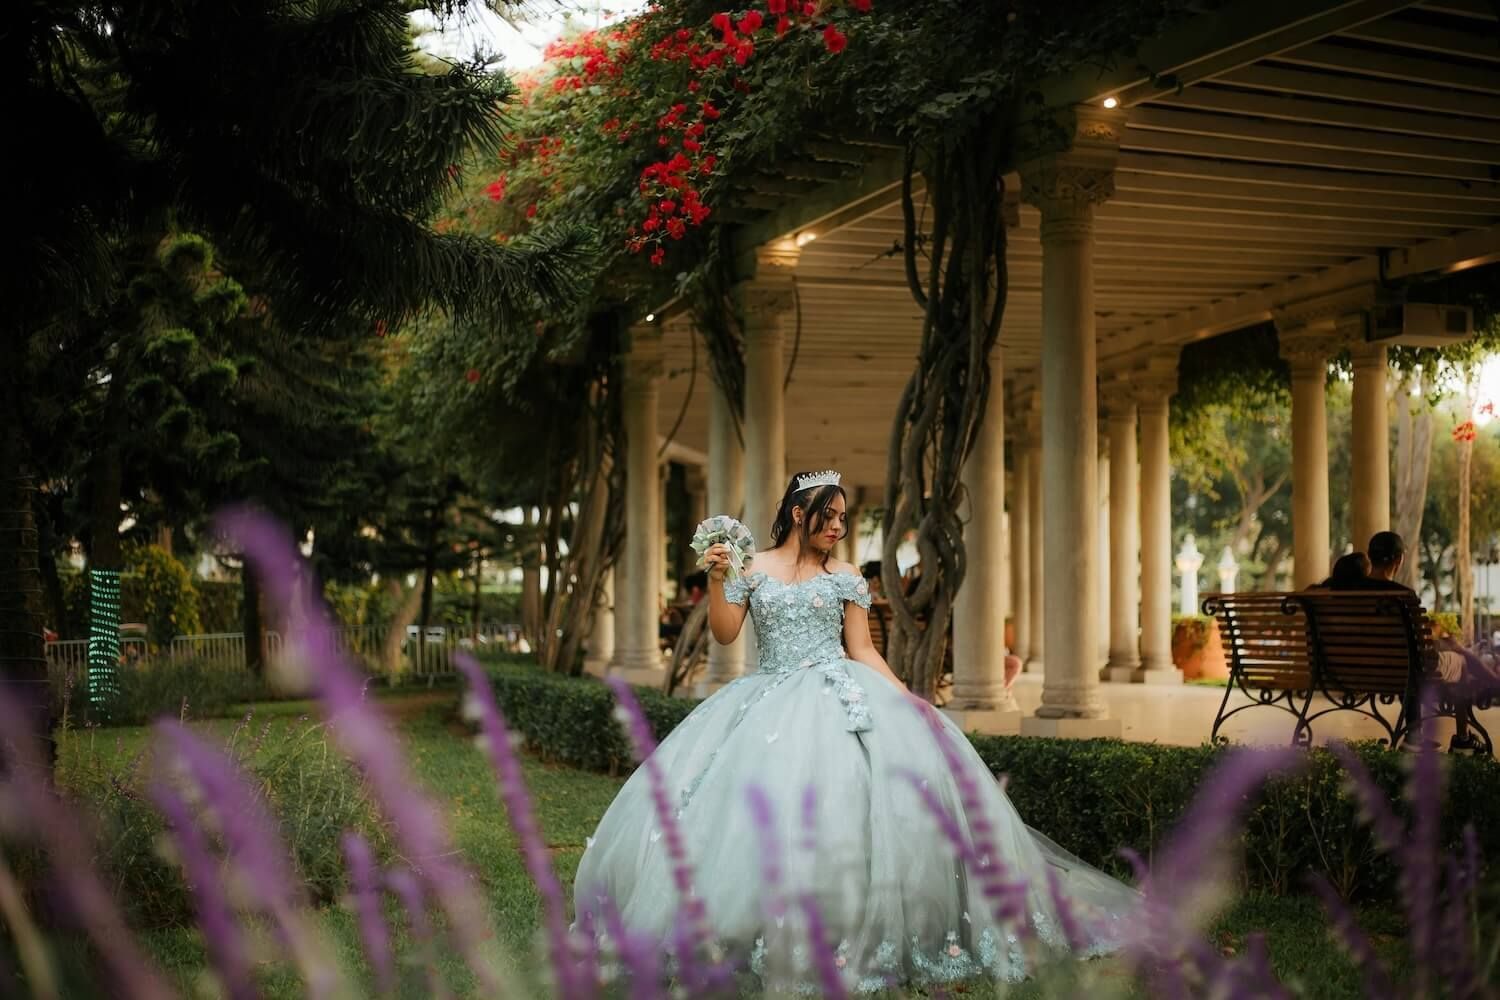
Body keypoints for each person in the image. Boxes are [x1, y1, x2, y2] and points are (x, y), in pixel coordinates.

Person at [573, 470, 1139, 989]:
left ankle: (862, 921)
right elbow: (725, 635)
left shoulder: (843, 576)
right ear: (800, 513)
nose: (841, 527)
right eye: (832, 516)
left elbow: (863, 649)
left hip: (842, 692)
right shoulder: (753, 568)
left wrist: (907, 700)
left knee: (861, 805)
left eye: (844, 518)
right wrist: (721, 579)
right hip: (768, 697)